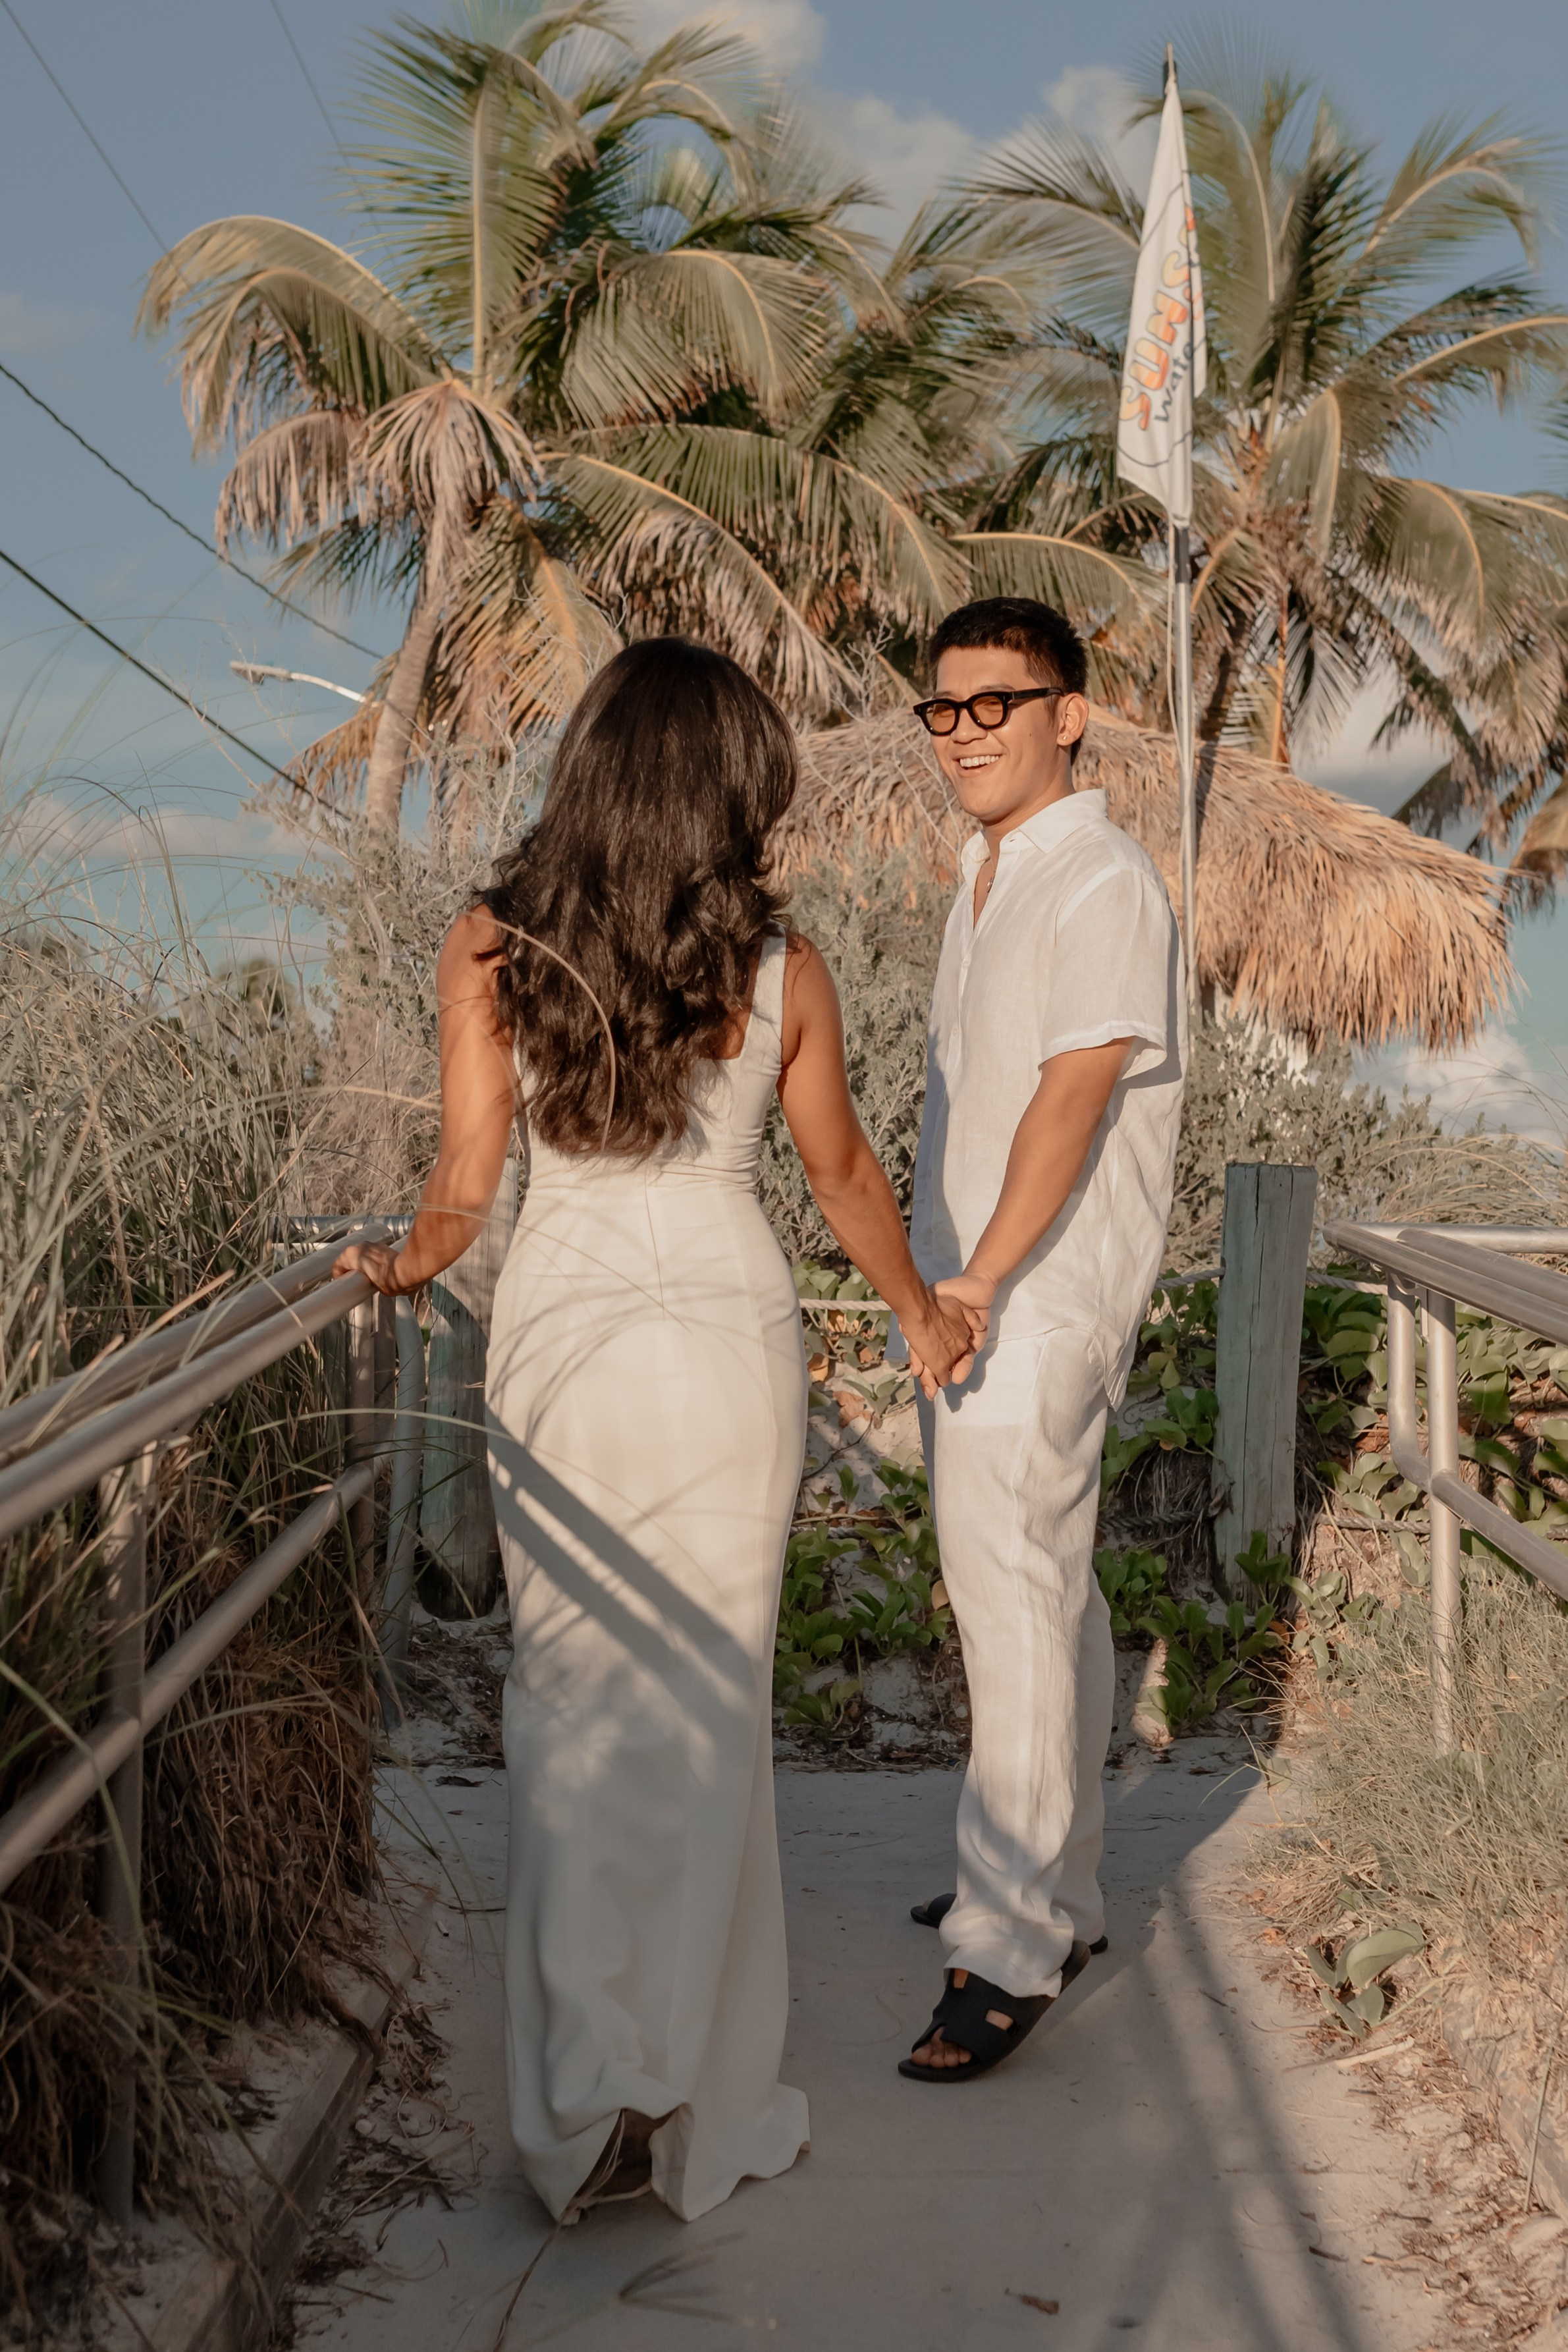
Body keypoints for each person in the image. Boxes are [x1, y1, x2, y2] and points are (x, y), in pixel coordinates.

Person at [337, 638, 980, 2218]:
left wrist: (399, 1263)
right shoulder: (782, 967)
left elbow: (465, 1191)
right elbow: (835, 1178)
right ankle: (689, 2085)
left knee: (566, 1703)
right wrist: (919, 1305)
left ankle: (583, 2096)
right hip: (724, 1327)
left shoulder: (489, 949)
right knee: (707, 1711)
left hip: (562, 1329)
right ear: (725, 789)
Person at [894, 596, 1187, 2083]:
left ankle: (1004, 1948)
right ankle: (1051, 1892)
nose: (964, 734)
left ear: (1070, 711)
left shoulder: (1103, 877)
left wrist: (982, 1279)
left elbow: (1074, 1094)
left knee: (1007, 1604)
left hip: (1032, 1296)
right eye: (942, 709)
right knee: (1043, 1600)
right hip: (977, 1288)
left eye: (994, 705)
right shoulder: (987, 868)